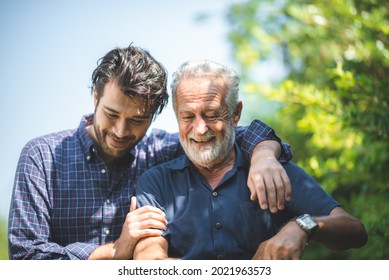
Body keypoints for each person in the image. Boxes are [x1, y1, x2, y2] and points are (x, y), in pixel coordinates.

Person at [8, 45, 294, 260]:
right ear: (95, 97)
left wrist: (264, 154)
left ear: (155, 115)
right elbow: (25, 257)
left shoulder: (162, 150)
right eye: (111, 114)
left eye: (136, 121)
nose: (121, 131)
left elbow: (225, 134)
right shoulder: (41, 157)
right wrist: (113, 251)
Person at [133, 59, 368, 260]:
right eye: (187, 116)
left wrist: (302, 226)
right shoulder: (156, 181)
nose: (200, 128)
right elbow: (148, 256)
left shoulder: (273, 171)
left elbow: (355, 230)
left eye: (212, 115)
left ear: (235, 114)